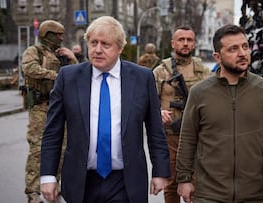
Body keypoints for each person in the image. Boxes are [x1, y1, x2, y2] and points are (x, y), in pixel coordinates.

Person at [40, 16, 170, 203]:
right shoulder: (68, 78)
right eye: (93, 43)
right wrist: (48, 175)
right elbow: (53, 131)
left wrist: (160, 171)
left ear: (120, 48)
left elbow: (155, 129)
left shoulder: (142, 78)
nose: (98, 50)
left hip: (125, 181)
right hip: (81, 180)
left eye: (105, 44)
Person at [176, 24, 263, 203]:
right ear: (217, 57)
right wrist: (184, 178)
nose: (242, 53)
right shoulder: (200, 92)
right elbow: (188, 137)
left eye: (245, 46)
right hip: (208, 194)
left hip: (252, 194)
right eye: (233, 49)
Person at [21, 19, 78, 203]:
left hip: (59, 107)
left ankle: (55, 183)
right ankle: (32, 191)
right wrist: (57, 75)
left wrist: (72, 59)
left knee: (61, 148)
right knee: (38, 149)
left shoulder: (60, 54)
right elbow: (29, 69)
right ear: (48, 35)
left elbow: (78, 75)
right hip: (40, 107)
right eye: (58, 35)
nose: (61, 38)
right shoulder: (34, 51)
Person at [153, 25, 210, 203]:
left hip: (198, 137)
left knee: (198, 183)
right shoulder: (160, 71)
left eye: (189, 40)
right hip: (170, 136)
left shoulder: (204, 72)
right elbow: (148, 103)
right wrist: (158, 112)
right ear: (173, 43)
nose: (185, 43)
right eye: (181, 40)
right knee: (171, 183)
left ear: (194, 43)